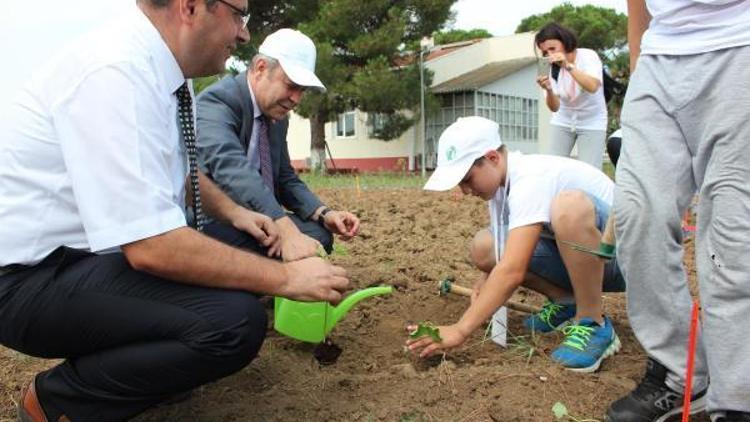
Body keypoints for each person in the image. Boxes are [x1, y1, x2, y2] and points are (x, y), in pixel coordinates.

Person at [0, 1, 349, 421]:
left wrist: (236, 215)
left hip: (92, 256)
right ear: (191, 6)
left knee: (250, 243)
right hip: (29, 280)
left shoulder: (160, 72)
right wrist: (287, 278)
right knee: (233, 323)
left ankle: (149, 365)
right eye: (238, 14)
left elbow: (177, 171)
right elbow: (153, 248)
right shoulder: (116, 73)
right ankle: (57, 401)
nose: (242, 33)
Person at [606, 1, 750, 420]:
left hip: (740, 45)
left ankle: (737, 398)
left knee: (731, 238)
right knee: (636, 216)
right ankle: (680, 371)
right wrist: (639, 63)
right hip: (659, 57)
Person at [406, 116, 625, 372]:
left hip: (623, 260)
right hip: (586, 261)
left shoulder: (532, 177)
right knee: (484, 247)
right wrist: (484, 281)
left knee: (568, 208)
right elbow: (501, 252)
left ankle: (593, 322)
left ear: (492, 158)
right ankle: (567, 303)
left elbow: (512, 269)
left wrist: (460, 329)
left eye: (467, 179)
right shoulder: (500, 188)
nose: (465, 191)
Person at [196, 28, 360, 262]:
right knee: (285, 241)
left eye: (302, 91)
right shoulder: (218, 102)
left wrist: (325, 214)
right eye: (291, 85)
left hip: (259, 220)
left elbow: (284, 177)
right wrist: (283, 227)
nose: (296, 99)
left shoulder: (276, 117)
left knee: (319, 233)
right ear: (261, 68)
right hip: (215, 221)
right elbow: (233, 169)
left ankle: (263, 277)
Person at [535, 22, 608, 169]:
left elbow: (592, 86)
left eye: (552, 48)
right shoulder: (549, 68)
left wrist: (567, 65)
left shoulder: (587, 56)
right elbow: (554, 108)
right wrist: (548, 89)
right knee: (552, 168)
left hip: (592, 119)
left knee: (590, 171)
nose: (549, 54)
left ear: (565, 42)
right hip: (563, 118)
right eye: (545, 52)